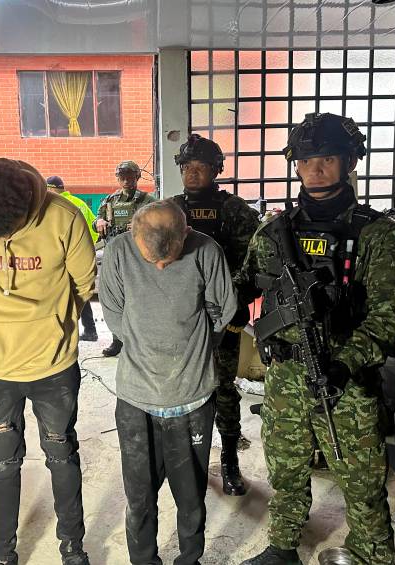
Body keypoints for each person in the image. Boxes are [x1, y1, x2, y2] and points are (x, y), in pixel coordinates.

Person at [237, 113, 395, 565]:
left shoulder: (378, 236)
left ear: (350, 161)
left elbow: (386, 319)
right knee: (285, 465)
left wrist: (345, 362)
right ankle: (282, 547)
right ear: (295, 165)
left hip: (346, 378)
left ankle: (372, 554)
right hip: (285, 375)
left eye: (328, 159)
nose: (316, 169)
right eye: (307, 159)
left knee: (359, 475)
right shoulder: (274, 231)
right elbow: (244, 288)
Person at [0, 158, 95, 565]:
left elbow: (83, 283)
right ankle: (2, 553)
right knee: (2, 463)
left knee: (62, 454)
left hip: (54, 368)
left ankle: (72, 548)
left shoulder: (65, 217)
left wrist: (55, 324)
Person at [100, 199, 237, 565]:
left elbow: (223, 310)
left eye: (170, 257)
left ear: (186, 233)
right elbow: (113, 314)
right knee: (140, 496)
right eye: (152, 259)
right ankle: (143, 560)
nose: (161, 265)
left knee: (191, 496)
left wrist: (191, 346)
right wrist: (149, 344)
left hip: (192, 396)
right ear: (133, 234)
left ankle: (189, 559)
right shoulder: (117, 252)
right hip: (136, 399)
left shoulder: (207, 250)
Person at [171, 134, 260, 497]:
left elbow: (256, 264)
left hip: (224, 316)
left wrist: (230, 302)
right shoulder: (170, 209)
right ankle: (188, 457)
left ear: (216, 171)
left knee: (223, 388)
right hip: (180, 318)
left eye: (201, 168)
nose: (192, 174)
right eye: (186, 167)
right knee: (182, 389)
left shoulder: (235, 210)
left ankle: (229, 459)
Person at [94, 160, 156, 356]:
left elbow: (159, 225)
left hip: (139, 258)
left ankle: (140, 341)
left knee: (139, 299)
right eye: (122, 176)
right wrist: (99, 222)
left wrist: (142, 226)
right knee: (114, 299)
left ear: (137, 177)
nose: (126, 180)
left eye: (130, 176)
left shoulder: (148, 201)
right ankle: (117, 339)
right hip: (114, 256)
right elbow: (97, 221)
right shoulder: (109, 201)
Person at [46, 175, 98, 342]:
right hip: (81, 255)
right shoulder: (80, 203)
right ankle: (90, 330)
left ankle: (64, 332)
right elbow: (95, 229)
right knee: (81, 291)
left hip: (61, 257)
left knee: (60, 295)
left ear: (50, 188)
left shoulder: (53, 205)